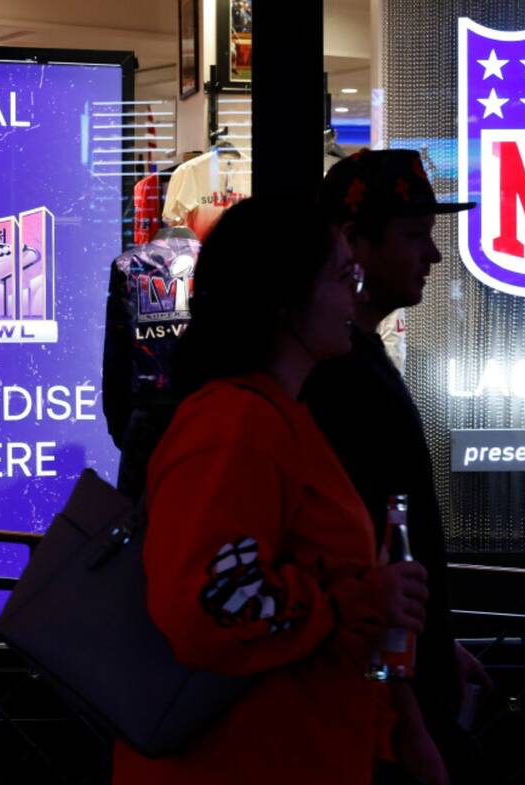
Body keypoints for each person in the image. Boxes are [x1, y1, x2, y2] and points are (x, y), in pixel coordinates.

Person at [113, 196, 431, 785]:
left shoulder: (275, 415)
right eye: (344, 276)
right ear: (287, 299)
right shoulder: (236, 423)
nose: (355, 296)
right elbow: (208, 603)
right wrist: (362, 602)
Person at [304, 149, 493, 785]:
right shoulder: (337, 377)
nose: (434, 256)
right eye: (415, 236)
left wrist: (437, 648)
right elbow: (359, 560)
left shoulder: (355, 358)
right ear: (353, 242)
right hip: (375, 715)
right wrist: (408, 717)